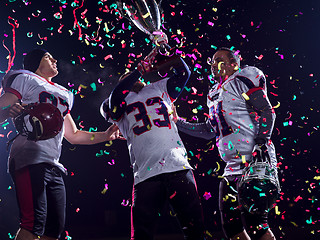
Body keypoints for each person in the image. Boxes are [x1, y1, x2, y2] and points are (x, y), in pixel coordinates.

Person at [0, 49, 123, 240]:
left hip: (52, 162)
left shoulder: (64, 93)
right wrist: (8, 112)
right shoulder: (25, 78)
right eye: (48, 57)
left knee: (54, 230)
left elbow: (72, 135)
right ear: (35, 62)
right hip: (29, 156)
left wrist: (106, 135)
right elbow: (2, 109)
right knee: (32, 225)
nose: (55, 59)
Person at [100, 39, 206, 239]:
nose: (134, 80)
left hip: (178, 167)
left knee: (195, 230)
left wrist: (167, 50)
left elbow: (184, 73)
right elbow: (115, 99)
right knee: (142, 235)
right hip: (147, 175)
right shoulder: (115, 101)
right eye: (128, 78)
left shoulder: (159, 88)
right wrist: (139, 70)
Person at [174, 47, 279, 240]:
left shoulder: (242, 79)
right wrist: (177, 122)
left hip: (253, 163)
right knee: (231, 228)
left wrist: (262, 142)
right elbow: (209, 130)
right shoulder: (214, 92)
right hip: (231, 168)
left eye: (218, 60)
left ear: (234, 63)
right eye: (212, 61)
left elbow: (267, 111)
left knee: (258, 226)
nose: (213, 64)